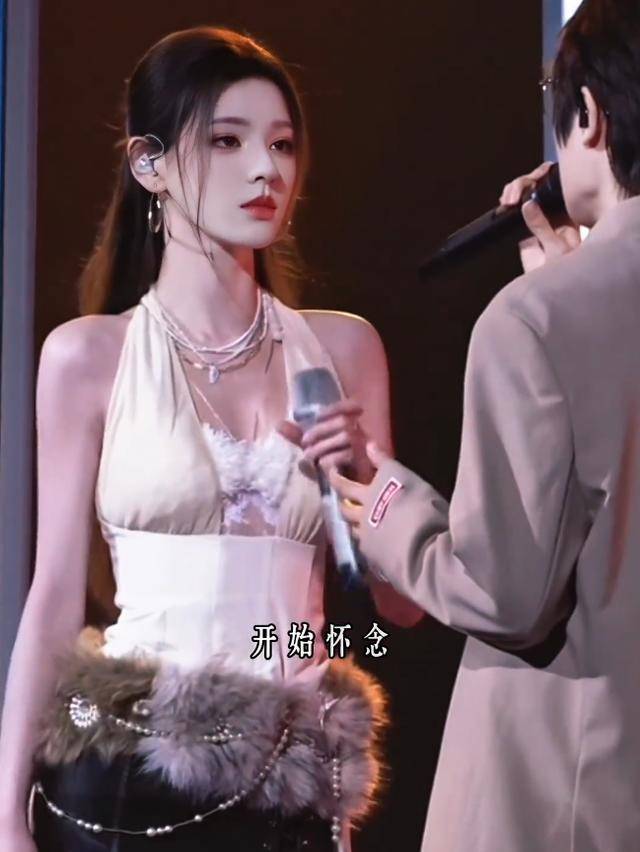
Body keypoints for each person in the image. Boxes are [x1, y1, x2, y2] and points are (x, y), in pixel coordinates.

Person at [0, 26, 422, 852]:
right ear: (149, 164)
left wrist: (367, 473)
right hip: (125, 776)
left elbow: (401, 604)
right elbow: (53, 595)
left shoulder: (343, 350)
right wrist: (8, 816)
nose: (266, 169)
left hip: (288, 788)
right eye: (227, 141)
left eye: (282, 144)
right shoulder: (88, 358)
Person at [318, 1, 640, 849]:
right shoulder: (556, 311)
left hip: (572, 796)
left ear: (590, 115)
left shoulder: (532, 322)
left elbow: (507, 594)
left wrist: (391, 511)